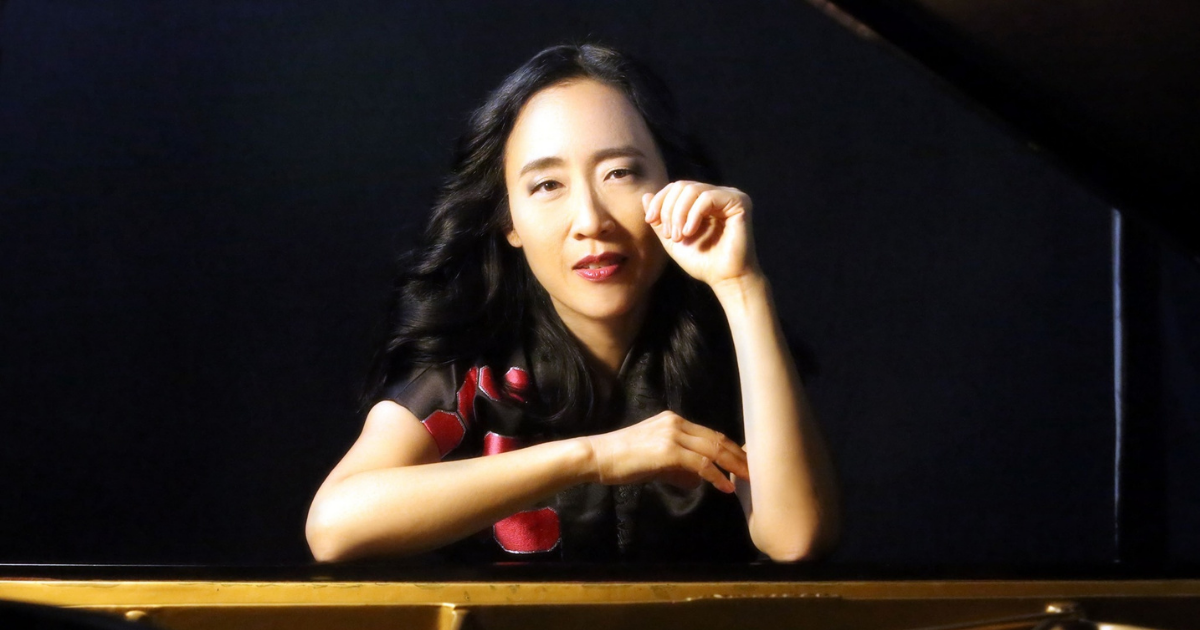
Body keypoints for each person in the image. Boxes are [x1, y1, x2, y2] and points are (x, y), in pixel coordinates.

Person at [305, 43, 838, 563]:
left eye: (620, 173)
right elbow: (334, 526)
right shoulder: (468, 370)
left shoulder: (727, 354)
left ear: (673, 182)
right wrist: (593, 457)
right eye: (547, 185)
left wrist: (742, 285)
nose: (590, 221)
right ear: (507, 221)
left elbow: (795, 537)